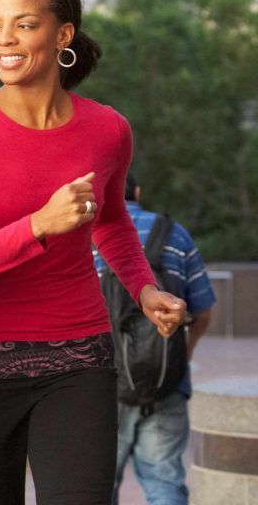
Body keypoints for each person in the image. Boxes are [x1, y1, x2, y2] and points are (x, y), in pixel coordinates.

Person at [0, 0, 188, 505]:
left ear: (62, 35)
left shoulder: (108, 128)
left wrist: (145, 289)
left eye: (23, 24)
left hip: (78, 357)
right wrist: (38, 226)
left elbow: (109, 220)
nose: (4, 41)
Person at [97, 173, 215, 505]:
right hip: (165, 384)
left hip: (100, 388)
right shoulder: (175, 234)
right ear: (137, 191)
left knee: (95, 487)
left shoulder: (85, 237)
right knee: (164, 484)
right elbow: (203, 311)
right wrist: (185, 354)